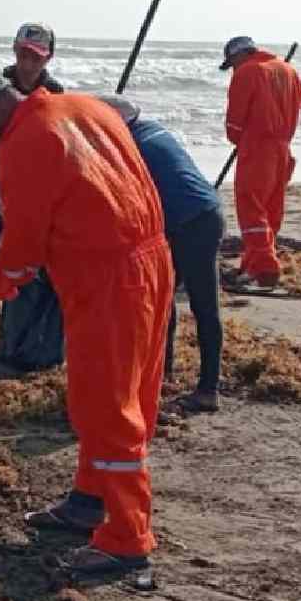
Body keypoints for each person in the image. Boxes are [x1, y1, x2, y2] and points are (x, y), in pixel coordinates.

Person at [0, 67, 173, 579]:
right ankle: (89, 501)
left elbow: (25, 241)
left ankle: (126, 538)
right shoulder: (87, 107)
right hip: (151, 257)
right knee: (125, 392)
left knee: (107, 405)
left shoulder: (24, 142)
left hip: (106, 274)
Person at [97, 95, 224, 413]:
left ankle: (207, 389)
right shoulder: (155, 131)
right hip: (204, 213)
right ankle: (162, 375)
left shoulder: (134, 147)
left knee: (201, 305)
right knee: (164, 302)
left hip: (192, 223)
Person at [221, 36, 301, 287]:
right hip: (283, 147)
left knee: (251, 207)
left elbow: (235, 122)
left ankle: (264, 268)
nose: (233, 69)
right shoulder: (287, 69)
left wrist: (238, 136)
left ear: (239, 56)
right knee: (271, 208)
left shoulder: (247, 72)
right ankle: (253, 264)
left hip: (257, 147)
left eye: (232, 63)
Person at [0, 22, 65, 269]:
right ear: (14, 49)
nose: (28, 63)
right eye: (23, 54)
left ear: (48, 58)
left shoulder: (55, 93)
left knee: (37, 259)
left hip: (38, 188)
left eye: (36, 57)